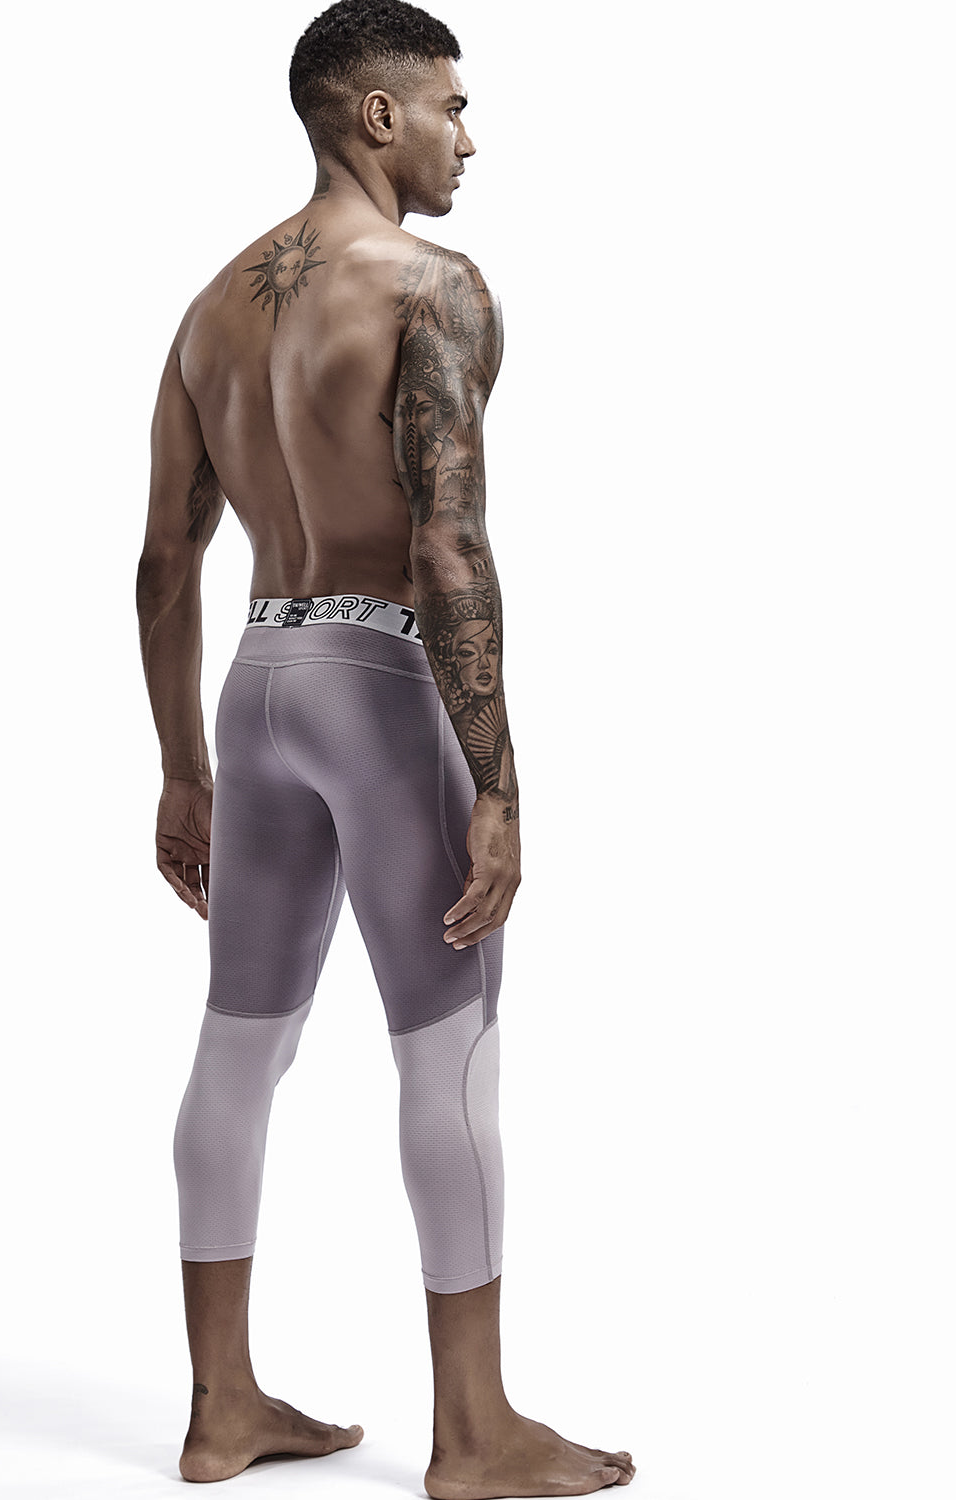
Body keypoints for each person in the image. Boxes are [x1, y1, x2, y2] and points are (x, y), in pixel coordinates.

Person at [136, 2, 634, 1493]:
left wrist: (182, 768)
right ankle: (473, 1434)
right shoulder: (432, 288)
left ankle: (221, 1406)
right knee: (448, 1045)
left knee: (240, 1044)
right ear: (377, 115)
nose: (467, 138)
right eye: (451, 108)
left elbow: (161, 568)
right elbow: (446, 543)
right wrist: (499, 784)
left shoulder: (213, 310)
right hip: (378, 683)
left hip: (256, 682)